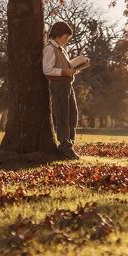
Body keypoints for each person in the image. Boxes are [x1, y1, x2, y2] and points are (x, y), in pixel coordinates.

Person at [42, 21, 88, 159]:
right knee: (62, 116)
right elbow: (47, 70)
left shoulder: (62, 50)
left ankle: (70, 144)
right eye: (66, 37)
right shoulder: (50, 48)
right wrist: (65, 72)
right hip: (58, 86)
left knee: (73, 115)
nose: (67, 40)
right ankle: (64, 147)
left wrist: (74, 69)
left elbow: (64, 67)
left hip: (67, 85)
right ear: (57, 35)